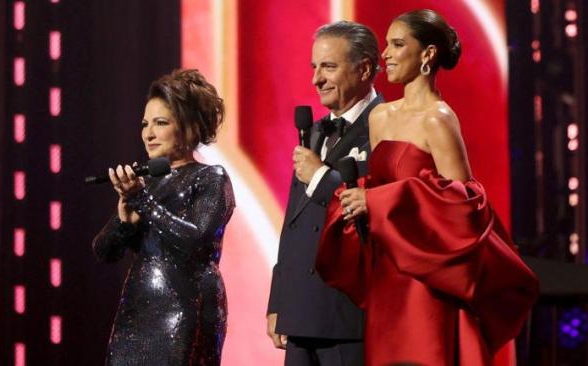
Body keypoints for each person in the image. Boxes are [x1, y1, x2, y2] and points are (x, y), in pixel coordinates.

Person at [315, 10, 539, 366]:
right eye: (386, 44)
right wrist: (355, 199)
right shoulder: (380, 116)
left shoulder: (439, 118)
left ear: (428, 55)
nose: (385, 54)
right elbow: (376, 185)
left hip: (427, 281)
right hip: (388, 274)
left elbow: (464, 204)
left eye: (398, 44)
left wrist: (377, 199)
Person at [92, 69, 235, 366]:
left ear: (190, 127)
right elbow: (103, 251)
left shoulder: (211, 178)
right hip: (136, 312)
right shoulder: (148, 184)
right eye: (145, 124)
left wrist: (143, 201)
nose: (149, 134)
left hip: (185, 312)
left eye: (161, 123)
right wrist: (123, 221)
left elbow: (195, 240)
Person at [266, 21, 383, 365]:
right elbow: (294, 221)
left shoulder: (387, 124)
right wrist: (279, 300)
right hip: (301, 312)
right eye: (314, 67)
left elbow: (380, 209)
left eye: (329, 67)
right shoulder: (314, 132)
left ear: (364, 69)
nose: (316, 79)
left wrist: (320, 175)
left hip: (349, 313)